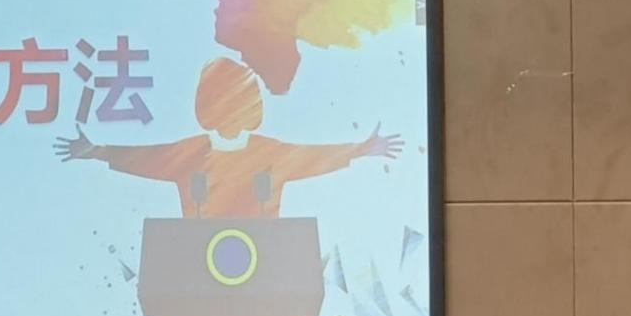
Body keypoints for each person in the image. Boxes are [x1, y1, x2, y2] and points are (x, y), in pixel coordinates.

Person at [54, 56, 404, 218]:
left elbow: (314, 157)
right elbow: (144, 158)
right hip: (199, 284)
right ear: (207, 105)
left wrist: (360, 150)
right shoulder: (190, 154)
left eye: (240, 102)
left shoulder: (270, 154)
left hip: (264, 282)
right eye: (223, 102)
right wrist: (96, 151)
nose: (232, 112)